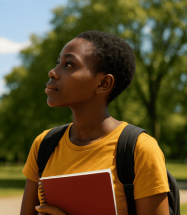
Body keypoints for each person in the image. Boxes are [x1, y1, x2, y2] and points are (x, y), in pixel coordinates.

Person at [20, 31, 170, 215]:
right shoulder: (43, 145)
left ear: (103, 83)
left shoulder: (140, 149)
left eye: (68, 64)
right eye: (57, 63)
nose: (52, 72)